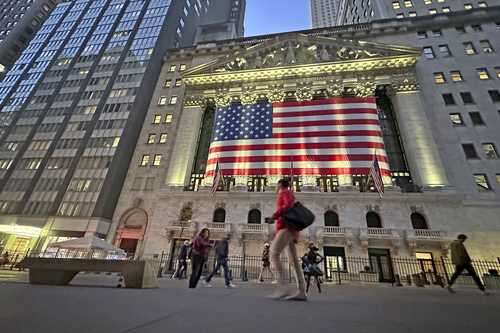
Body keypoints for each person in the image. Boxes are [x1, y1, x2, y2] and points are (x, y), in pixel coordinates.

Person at [267, 178, 307, 301]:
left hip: (286, 228)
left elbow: (288, 206)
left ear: (280, 185)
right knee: (293, 261)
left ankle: (284, 287)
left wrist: (274, 216)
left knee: (273, 253)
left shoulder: (285, 193)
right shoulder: (288, 193)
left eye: (276, 184)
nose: (275, 187)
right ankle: (301, 291)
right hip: (289, 229)